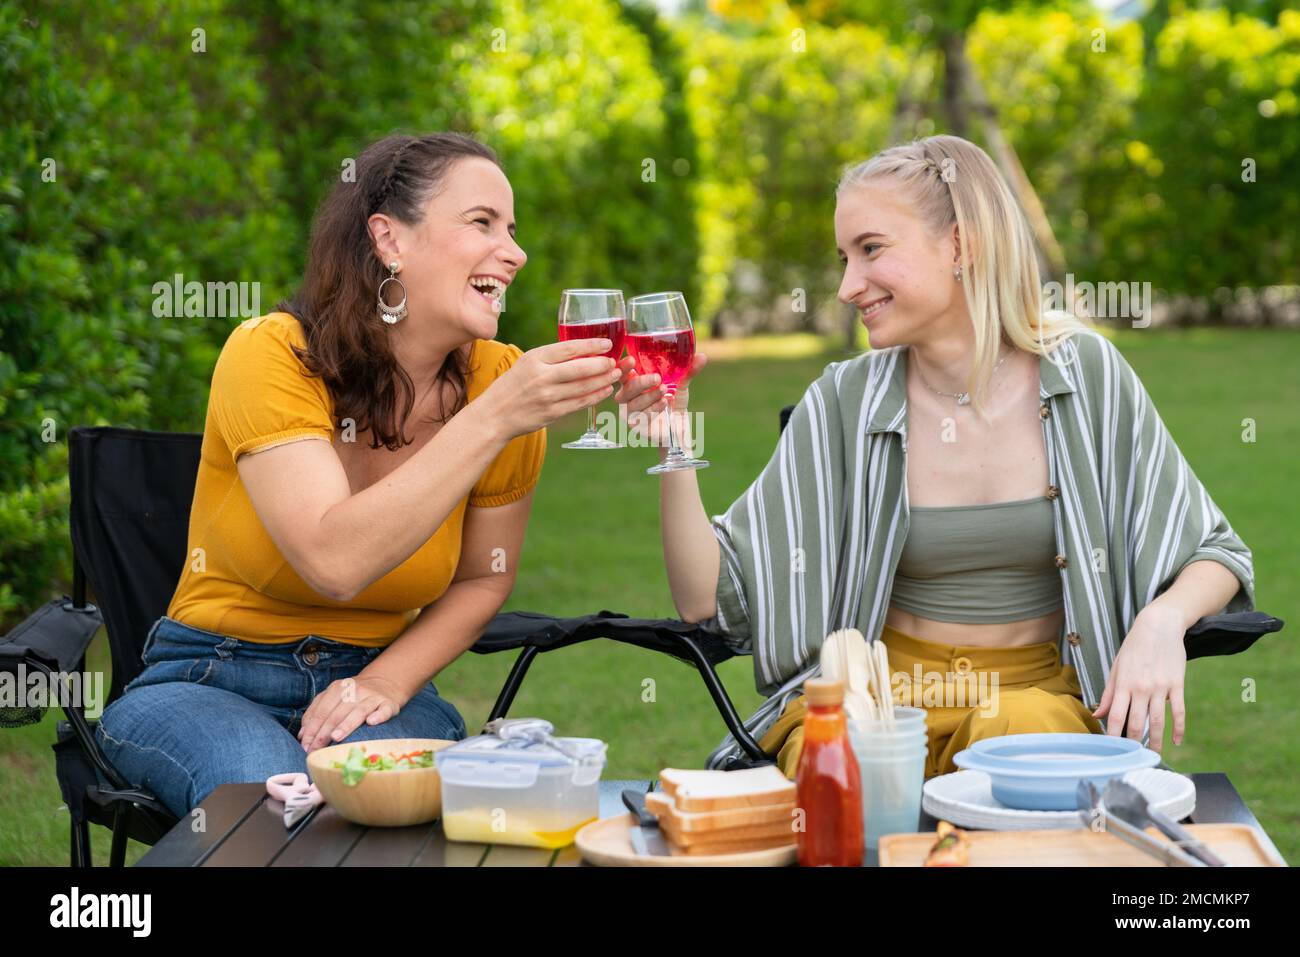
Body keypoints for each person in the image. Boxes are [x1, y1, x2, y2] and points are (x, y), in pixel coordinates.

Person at [615, 134, 1255, 779]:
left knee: (1015, 742)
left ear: (961, 244)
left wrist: (1162, 621)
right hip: (877, 703)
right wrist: (674, 438)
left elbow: (1217, 552)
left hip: (1035, 700)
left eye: (870, 250)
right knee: (841, 773)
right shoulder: (845, 399)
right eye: (843, 257)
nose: (846, 286)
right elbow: (706, 600)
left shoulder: (1085, 377)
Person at [96, 132, 623, 816]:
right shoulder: (271, 355)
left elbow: (484, 575)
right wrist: (492, 419)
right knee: (269, 797)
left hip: (376, 676)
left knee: (393, 794)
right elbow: (332, 559)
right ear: (389, 239)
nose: (516, 253)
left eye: (513, 230)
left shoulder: (498, 382)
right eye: (482, 223)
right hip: (211, 676)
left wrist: (384, 680)